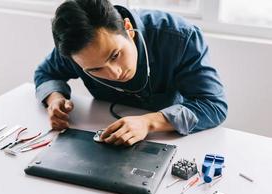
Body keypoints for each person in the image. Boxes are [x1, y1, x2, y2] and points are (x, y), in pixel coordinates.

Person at [34, 0, 228, 146]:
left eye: (115, 55)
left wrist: (149, 123)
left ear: (128, 29)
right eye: (95, 69)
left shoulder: (179, 37)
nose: (114, 73)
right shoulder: (76, 51)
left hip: (166, 139)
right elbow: (45, 73)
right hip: (102, 136)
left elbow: (213, 105)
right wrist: (54, 98)